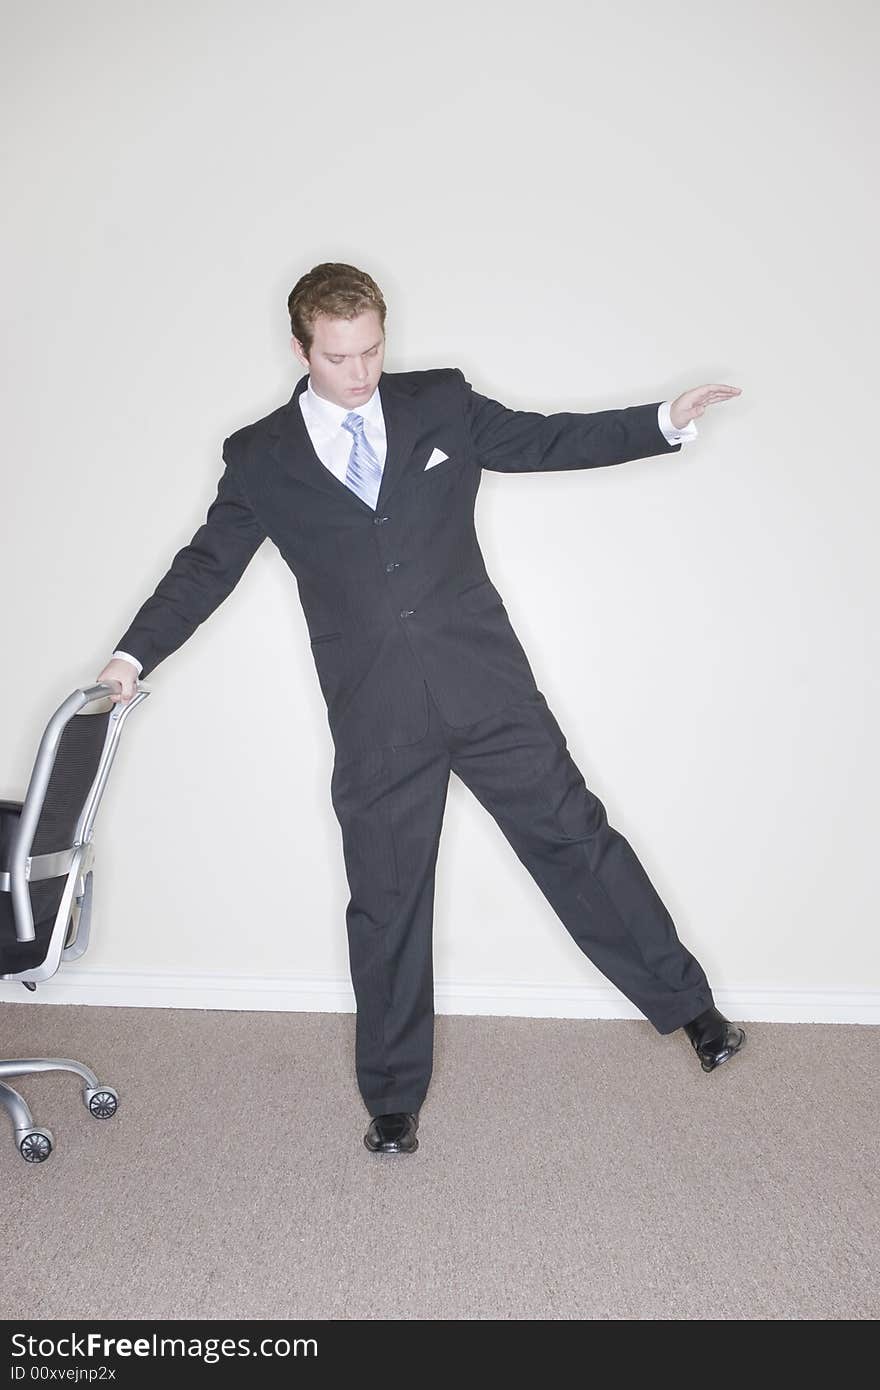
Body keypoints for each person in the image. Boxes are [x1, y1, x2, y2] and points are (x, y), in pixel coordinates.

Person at [98, 262, 745, 1155]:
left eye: (370, 350)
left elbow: (543, 441)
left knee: (577, 841)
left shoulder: (439, 402)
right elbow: (206, 566)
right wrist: (134, 655)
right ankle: (393, 1098)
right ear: (300, 349)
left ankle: (693, 1011)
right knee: (388, 899)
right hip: (376, 714)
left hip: (487, 687)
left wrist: (661, 422)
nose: (359, 373)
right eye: (338, 357)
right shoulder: (260, 456)